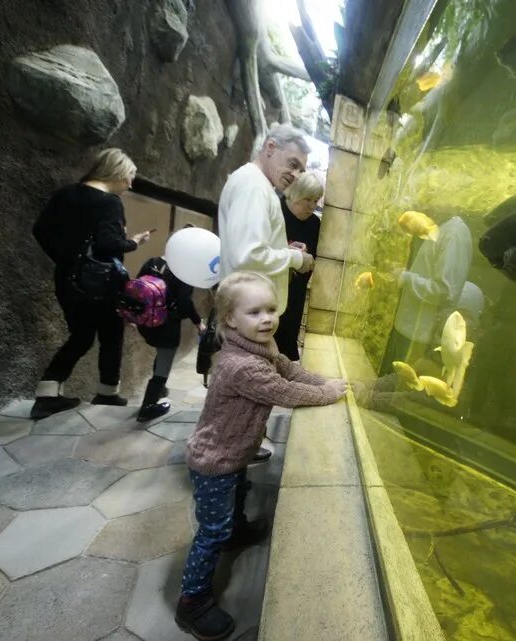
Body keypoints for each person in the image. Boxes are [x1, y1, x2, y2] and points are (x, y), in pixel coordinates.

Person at [175, 271, 348, 640]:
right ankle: (192, 601)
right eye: (254, 312)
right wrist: (329, 393)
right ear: (230, 320)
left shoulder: (261, 348)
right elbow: (285, 392)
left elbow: (289, 370)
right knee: (210, 532)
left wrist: (327, 381)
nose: (267, 318)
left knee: (238, 493)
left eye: (271, 309)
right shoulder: (242, 365)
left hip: (235, 454)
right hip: (213, 460)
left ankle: (236, 530)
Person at [30, 148, 152, 420]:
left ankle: (47, 393)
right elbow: (109, 244)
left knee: (81, 336)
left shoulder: (66, 194)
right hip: (101, 285)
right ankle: (107, 393)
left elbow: (40, 230)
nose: (130, 184)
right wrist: (133, 242)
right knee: (111, 334)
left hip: (68, 282)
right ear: (118, 171)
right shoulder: (110, 202)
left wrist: (68, 260)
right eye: (130, 176)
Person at [218, 124, 315, 317]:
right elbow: (247, 256)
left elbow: (249, 248)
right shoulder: (254, 187)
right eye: (292, 164)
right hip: (248, 318)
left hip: (248, 314)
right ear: (270, 147)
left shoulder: (256, 183)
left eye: (300, 170)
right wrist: (296, 259)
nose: (296, 175)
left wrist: (284, 249)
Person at [380, 214, 473, 374]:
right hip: (408, 328)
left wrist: (405, 278)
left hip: (418, 335)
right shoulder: (442, 228)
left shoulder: (454, 233)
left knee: (398, 386)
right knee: (388, 382)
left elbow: (444, 292)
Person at [132, 252, 205, 422]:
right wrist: (197, 321)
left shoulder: (152, 261)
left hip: (147, 321)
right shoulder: (183, 270)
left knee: (161, 355)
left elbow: (137, 288)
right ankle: (148, 407)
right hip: (167, 324)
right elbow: (185, 301)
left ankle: (160, 389)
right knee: (164, 363)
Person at [274, 171, 324, 361]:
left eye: (316, 200)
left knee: (284, 357)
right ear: (296, 193)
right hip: (268, 292)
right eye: (308, 199)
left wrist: (306, 255)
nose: (312, 206)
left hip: (294, 295)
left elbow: (314, 260)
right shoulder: (276, 210)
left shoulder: (314, 224)